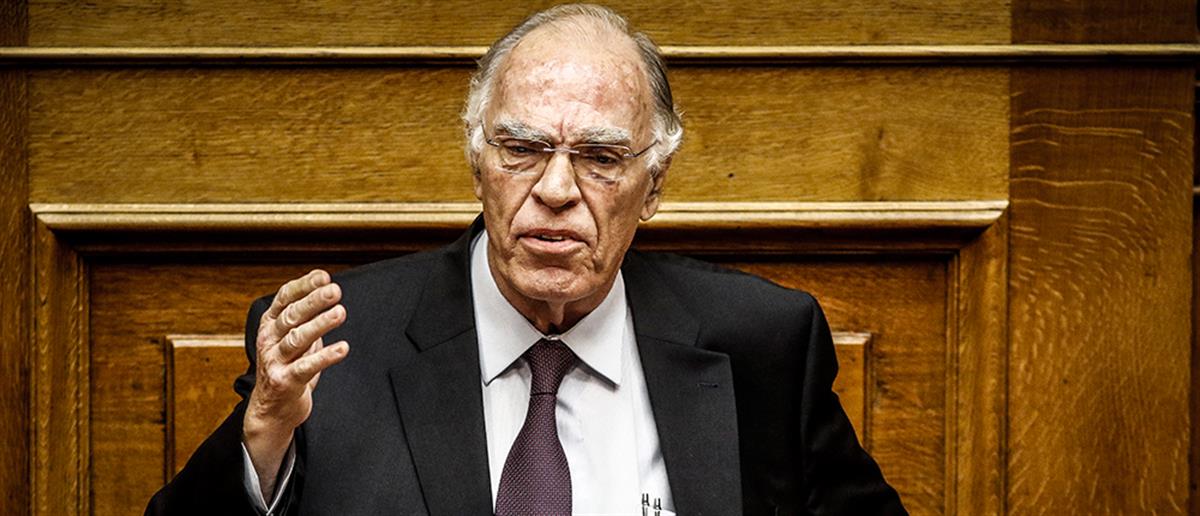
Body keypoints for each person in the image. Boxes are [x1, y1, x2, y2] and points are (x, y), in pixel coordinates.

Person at [146, 4, 906, 515]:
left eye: (601, 158)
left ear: (653, 187)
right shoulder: (338, 345)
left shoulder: (762, 343)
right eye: (522, 148)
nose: (556, 190)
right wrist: (263, 435)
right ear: (478, 164)